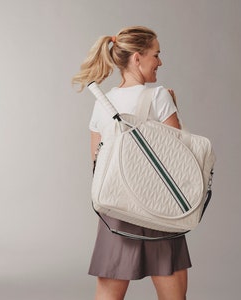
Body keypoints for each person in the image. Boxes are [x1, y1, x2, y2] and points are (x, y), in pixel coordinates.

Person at [72, 26, 191, 300]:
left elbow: (97, 162)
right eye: (156, 55)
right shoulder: (158, 96)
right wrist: (175, 108)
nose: (160, 62)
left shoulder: (103, 102)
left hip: (116, 209)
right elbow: (180, 158)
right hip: (159, 209)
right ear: (137, 58)